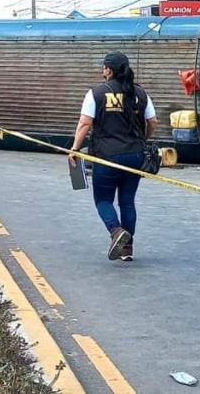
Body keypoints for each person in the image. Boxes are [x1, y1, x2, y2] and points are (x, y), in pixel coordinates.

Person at [69, 52, 158, 262]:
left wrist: (74, 149)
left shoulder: (97, 93)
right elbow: (153, 122)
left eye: (104, 67)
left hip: (106, 156)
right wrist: (141, 139)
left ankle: (116, 231)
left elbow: (84, 124)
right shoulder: (139, 93)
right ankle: (127, 249)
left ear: (109, 69)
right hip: (135, 155)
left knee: (103, 199)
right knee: (127, 201)